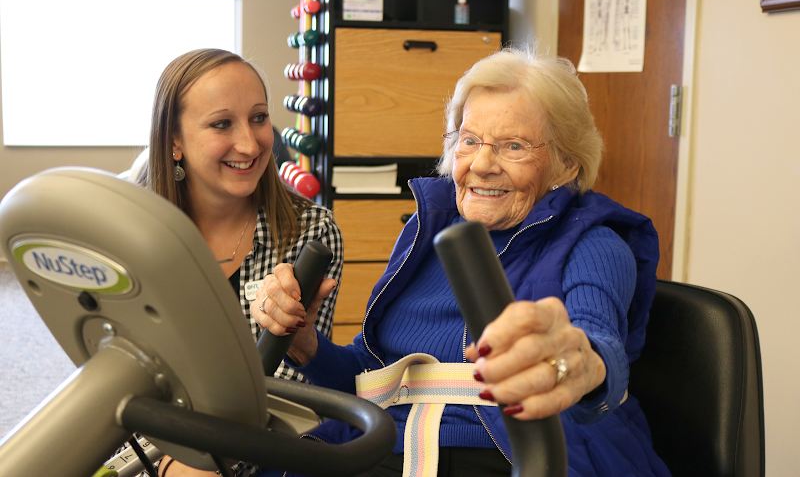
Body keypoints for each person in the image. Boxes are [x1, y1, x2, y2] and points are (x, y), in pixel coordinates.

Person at [254, 44, 671, 477]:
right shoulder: (425, 234)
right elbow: (367, 380)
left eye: (513, 146)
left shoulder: (593, 244)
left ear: (566, 164)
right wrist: (306, 344)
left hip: (511, 459)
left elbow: (598, 345)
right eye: (469, 141)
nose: (483, 164)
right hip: (387, 453)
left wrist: (576, 364)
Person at [137, 48, 343, 477]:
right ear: (174, 140)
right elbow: (122, 380)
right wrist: (170, 463)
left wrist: (210, 461)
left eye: (259, 118)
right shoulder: (136, 238)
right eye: (221, 124)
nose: (250, 144)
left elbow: (292, 399)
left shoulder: (311, 235)